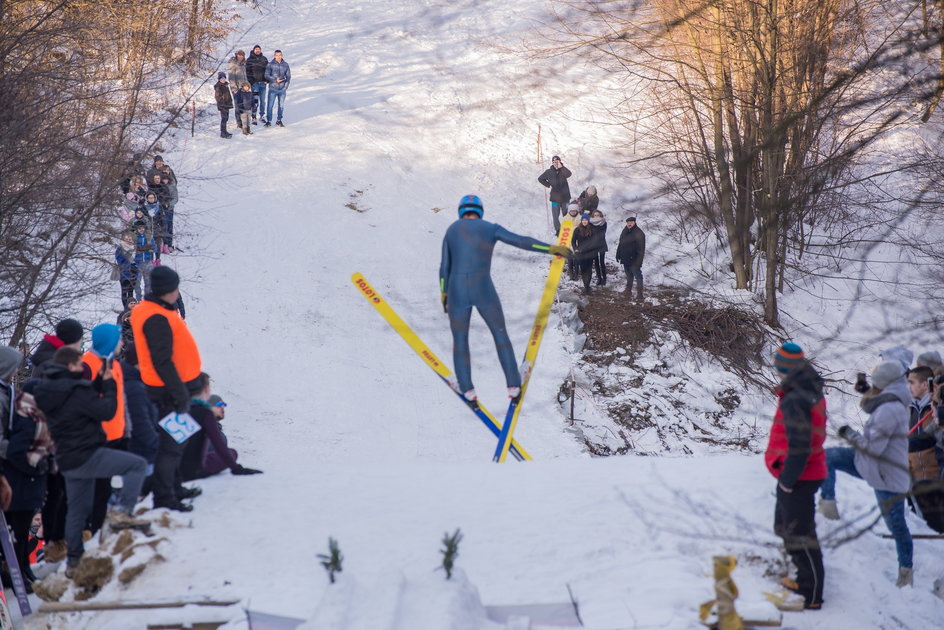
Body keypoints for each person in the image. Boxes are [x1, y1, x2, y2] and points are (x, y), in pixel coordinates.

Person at [439, 195, 571, 401]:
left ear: (461, 210)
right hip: (483, 287)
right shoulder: (490, 228)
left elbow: (444, 266)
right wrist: (550, 248)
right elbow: (521, 242)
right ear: (480, 210)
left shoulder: (452, 230)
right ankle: (512, 385)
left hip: (456, 289)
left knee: (460, 340)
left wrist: (444, 292)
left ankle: (467, 388)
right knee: (500, 334)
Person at [33, 347, 149, 578]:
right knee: (137, 465)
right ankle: (124, 513)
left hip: (66, 458)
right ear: (71, 366)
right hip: (88, 453)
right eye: (79, 365)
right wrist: (108, 385)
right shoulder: (76, 390)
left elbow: (78, 404)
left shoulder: (47, 390)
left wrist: (95, 382)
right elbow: (105, 411)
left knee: (77, 509)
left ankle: (74, 558)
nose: (82, 368)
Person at [818, 361, 913, 587]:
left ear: (884, 384)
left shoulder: (889, 410)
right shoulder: (892, 399)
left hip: (885, 474)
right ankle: (828, 508)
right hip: (872, 466)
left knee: (896, 525)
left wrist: (850, 434)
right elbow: (874, 407)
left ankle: (906, 573)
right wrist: (866, 391)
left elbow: (872, 448)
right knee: (827, 457)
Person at [130, 266, 204, 512]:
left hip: (168, 387)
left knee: (175, 442)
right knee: (171, 446)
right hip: (168, 391)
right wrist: (180, 393)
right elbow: (162, 360)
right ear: (168, 291)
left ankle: (174, 486)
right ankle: (164, 496)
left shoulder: (152, 310)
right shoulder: (156, 318)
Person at [764, 342, 827, 610]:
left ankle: (811, 592)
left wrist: (788, 480)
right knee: (785, 526)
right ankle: (804, 577)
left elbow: (800, 445)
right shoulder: (804, 388)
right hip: (796, 472)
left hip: (800, 474)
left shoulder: (796, 398)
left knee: (800, 533)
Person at [181, 376, 262, 481]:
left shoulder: (179, 411)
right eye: (219, 404)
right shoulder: (205, 414)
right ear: (206, 389)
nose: (222, 407)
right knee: (232, 452)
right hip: (194, 470)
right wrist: (236, 468)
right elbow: (218, 444)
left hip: (175, 468)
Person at [572, 213, 606, 295]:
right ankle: (586, 286)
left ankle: (587, 287)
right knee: (583, 270)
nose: (584, 221)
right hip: (581, 253)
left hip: (590, 253)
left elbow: (595, 241)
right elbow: (573, 241)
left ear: (588, 221)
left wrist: (593, 250)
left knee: (589, 270)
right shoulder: (577, 230)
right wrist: (576, 249)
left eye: (586, 220)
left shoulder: (592, 230)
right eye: (583, 220)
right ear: (581, 221)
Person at [538, 156, 572, 233]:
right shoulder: (548, 172)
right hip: (555, 198)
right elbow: (540, 179)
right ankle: (558, 230)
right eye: (554, 162)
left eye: (557, 162)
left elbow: (569, 174)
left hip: (565, 197)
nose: (556, 163)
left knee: (566, 214)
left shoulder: (563, 170)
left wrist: (562, 167)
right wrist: (548, 184)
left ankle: (567, 229)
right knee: (555, 215)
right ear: (552, 162)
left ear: (560, 162)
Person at [615, 216, 646, 300]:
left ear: (635, 222)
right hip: (625, 258)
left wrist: (639, 261)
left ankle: (640, 293)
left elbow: (641, 249)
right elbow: (620, 243)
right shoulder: (625, 230)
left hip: (635, 259)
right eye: (628, 222)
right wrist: (618, 254)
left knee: (638, 276)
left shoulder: (639, 233)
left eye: (631, 222)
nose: (629, 224)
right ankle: (628, 290)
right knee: (629, 275)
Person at [264, 50, 291, 127]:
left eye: (280, 55)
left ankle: (279, 120)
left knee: (281, 105)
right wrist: (275, 80)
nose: (278, 57)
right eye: (277, 55)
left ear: (282, 55)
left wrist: (285, 86)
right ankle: (269, 121)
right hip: (273, 88)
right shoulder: (270, 64)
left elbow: (288, 76)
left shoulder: (285, 65)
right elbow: (266, 75)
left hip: (282, 89)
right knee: (270, 105)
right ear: (274, 56)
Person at [245, 45, 268, 125]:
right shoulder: (249, 60)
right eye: (256, 49)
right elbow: (248, 72)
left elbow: (268, 70)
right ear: (253, 50)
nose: (257, 51)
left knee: (262, 101)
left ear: (260, 50)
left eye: (259, 49)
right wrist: (252, 82)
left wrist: (267, 80)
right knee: (255, 101)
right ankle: (254, 117)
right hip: (255, 84)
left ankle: (262, 116)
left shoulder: (264, 59)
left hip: (263, 83)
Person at [115, 231, 139, 309]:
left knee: (131, 292)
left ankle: (131, 308)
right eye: (126, 236)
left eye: (129, 236)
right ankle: (126, 308)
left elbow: (138, 259)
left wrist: (136, 265)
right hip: (124, 273)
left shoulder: (134, 247)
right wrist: (129, 265)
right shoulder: (120, 248)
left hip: (133, 273)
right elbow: (119, 260)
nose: (128, 238)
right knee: (125, 292)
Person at [589, 209, 608, 286]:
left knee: (602, 262)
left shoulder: (603, 223)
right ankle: (599, 278)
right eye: (595, 215)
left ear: (600, 216)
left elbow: (602, 233)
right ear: (593, 216)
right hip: (594, 245)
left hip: (601, 244)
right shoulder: (590, 224)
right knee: (596, 262)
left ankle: (604, 278)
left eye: (598, 215)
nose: (596, 217)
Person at [214, 72, 234, 138]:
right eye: (221, 78)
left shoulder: (226, 85)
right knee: (224, 118)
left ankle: (225, 131)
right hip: (223, 105)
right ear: (219, 79)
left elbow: (228, 95)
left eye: (224, 78)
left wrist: (229, 102)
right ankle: (222, 132)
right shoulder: (218, 86)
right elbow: (218, 97)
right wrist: (223, 103)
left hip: (227, 105)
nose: (223, 80)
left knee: (226, 118)